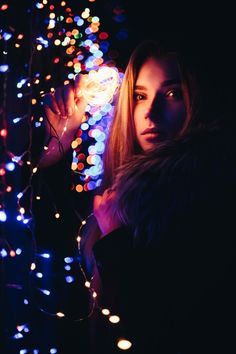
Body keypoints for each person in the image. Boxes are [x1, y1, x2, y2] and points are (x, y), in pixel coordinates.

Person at [39, 32, 236, 353]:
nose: (149, 111)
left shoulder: (212, 196)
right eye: (140, 96)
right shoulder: (119, 191)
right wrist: (55, 153)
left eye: (173, 93)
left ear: (200, 100)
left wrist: (116, 238)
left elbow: (172, 324)